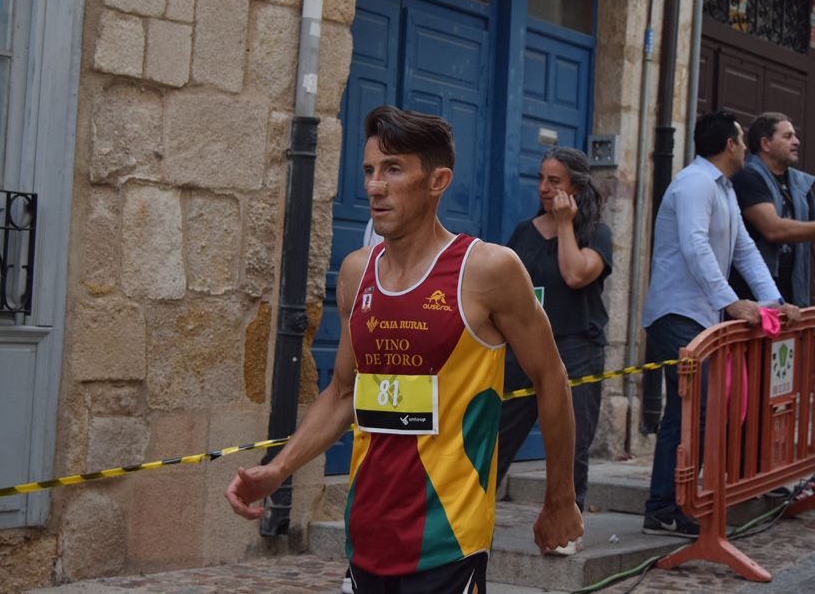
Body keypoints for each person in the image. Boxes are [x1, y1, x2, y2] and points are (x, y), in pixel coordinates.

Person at [225, 105, 582, 593]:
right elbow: (343, 392)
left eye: (393, 170)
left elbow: (551, 378)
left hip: (448, 537)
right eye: (370, 171)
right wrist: (278, 469)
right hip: (367, 533)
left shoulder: (488, 270)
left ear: (437, 181)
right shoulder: (356, 272)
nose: (375, 186)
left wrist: (559, 498)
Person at [640, 110, 800, 537]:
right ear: (729, 144)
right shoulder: (694, 184)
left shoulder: (724, 188)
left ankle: (673, 502)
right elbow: (694, 246)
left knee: (694, 409)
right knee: (694, 408)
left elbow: (745, 250)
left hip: (701, 313)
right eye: (742, 140)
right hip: (677, 313)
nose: (746, 147)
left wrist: (772, 302)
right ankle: (664, 505)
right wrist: (731, 303)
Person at [495, 147, 612, 555]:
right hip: (523, 348)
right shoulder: (524, 231)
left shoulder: (596, 234)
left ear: (575, 187)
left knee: (569, 439)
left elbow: (575, 273)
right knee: (495, 432)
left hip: (576, 346)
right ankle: (470, 515)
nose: (544, 188)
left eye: (555, 181)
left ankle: (566, 524)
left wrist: (565, 223)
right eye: (542, 179)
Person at [730, 112, 815, 310]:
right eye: (787, 137)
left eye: (794, 136)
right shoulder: (748, 176)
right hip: (753, 297)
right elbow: (774, 229)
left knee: (786, 343)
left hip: (792, 295)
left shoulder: (798, 182)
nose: (797, 142)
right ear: (766, 144)